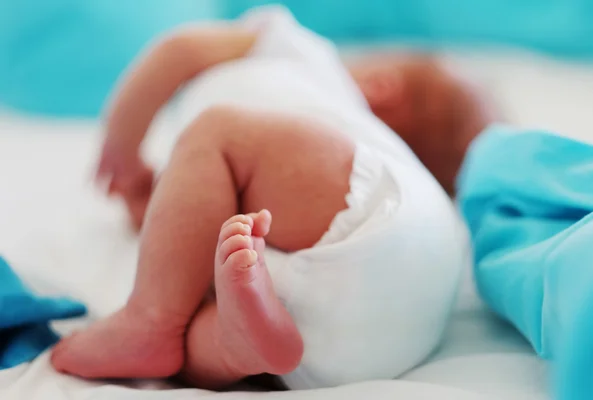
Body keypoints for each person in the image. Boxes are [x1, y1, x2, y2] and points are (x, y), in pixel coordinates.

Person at [50, 6, 491, 389]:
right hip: (406, 319)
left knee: (216, 130)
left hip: (389, 213)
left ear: (382, 85)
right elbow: (188, 226)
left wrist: (122, 145)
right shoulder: (307, 173)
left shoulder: (298, 53)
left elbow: (179, 50)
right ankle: (233, 345)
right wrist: (152, 205)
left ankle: (149, 319)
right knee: (199, 308)